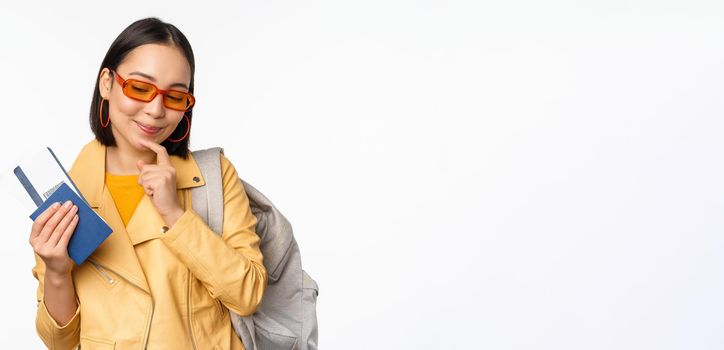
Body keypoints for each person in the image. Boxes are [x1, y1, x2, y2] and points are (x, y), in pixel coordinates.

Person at [28, 17, 267, 349]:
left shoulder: (212, 175)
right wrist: (56, 273)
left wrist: (175, 214)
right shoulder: (67, 190)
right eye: (140, 88)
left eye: (175, 97)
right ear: (107, 84)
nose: (156, 110)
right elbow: (60, 342)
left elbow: (248, 294)